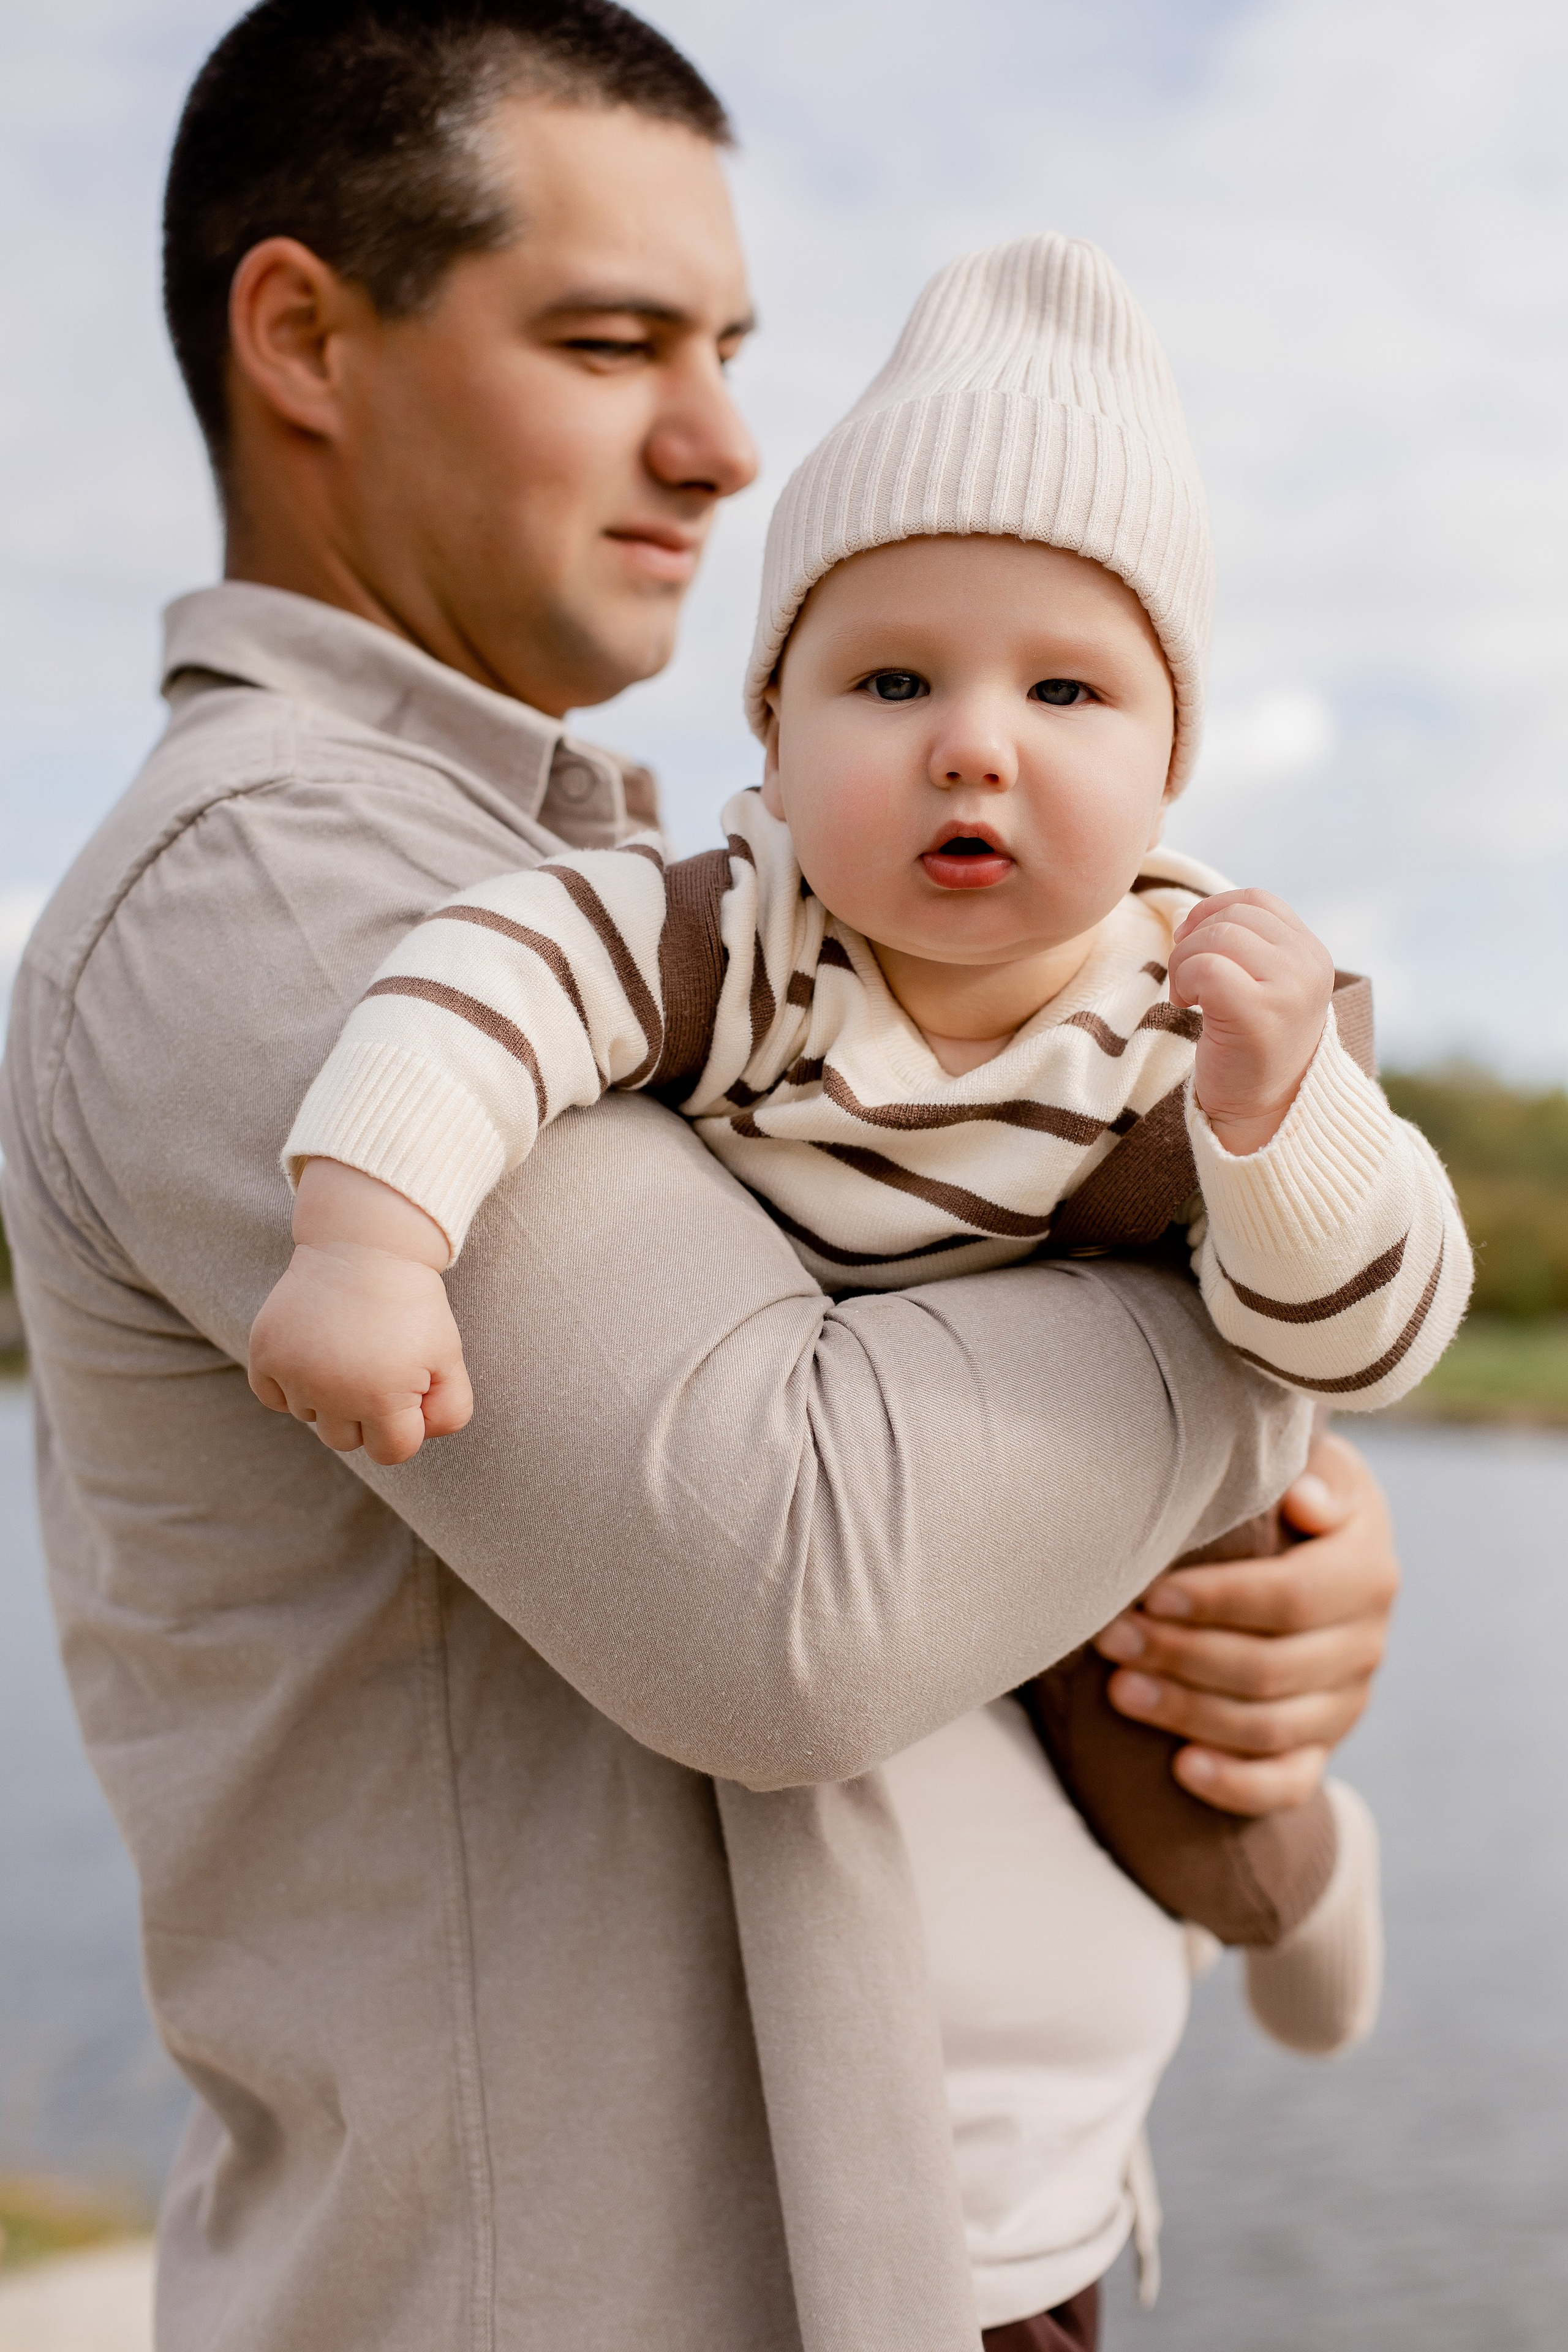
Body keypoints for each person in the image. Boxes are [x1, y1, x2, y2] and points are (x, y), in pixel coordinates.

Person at [0, 7, 1401, 2348]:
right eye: (609, 339)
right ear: (301, 337)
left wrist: (1246, 1557)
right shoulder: (293, 888)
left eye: (734, 346)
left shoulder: (641, 882)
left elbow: (931, 1368)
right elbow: (805, 1578)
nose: (725, 439)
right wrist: (1264, 1308)